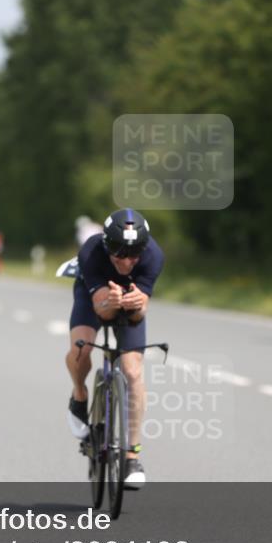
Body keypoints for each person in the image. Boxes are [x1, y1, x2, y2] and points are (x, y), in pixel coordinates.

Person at [65, 208, 164, 490]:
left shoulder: (153, 256)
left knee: (133, 372)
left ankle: (132, 456)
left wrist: (135, 305)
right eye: (120, 254)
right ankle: (79, 394)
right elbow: (101, 310)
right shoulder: (91, 251)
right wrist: (112, 302)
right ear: (108, 247)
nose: (128, 261)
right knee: (80, 351)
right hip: (94, 297)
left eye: (135, 254)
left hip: (129, 302)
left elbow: (139, 315)